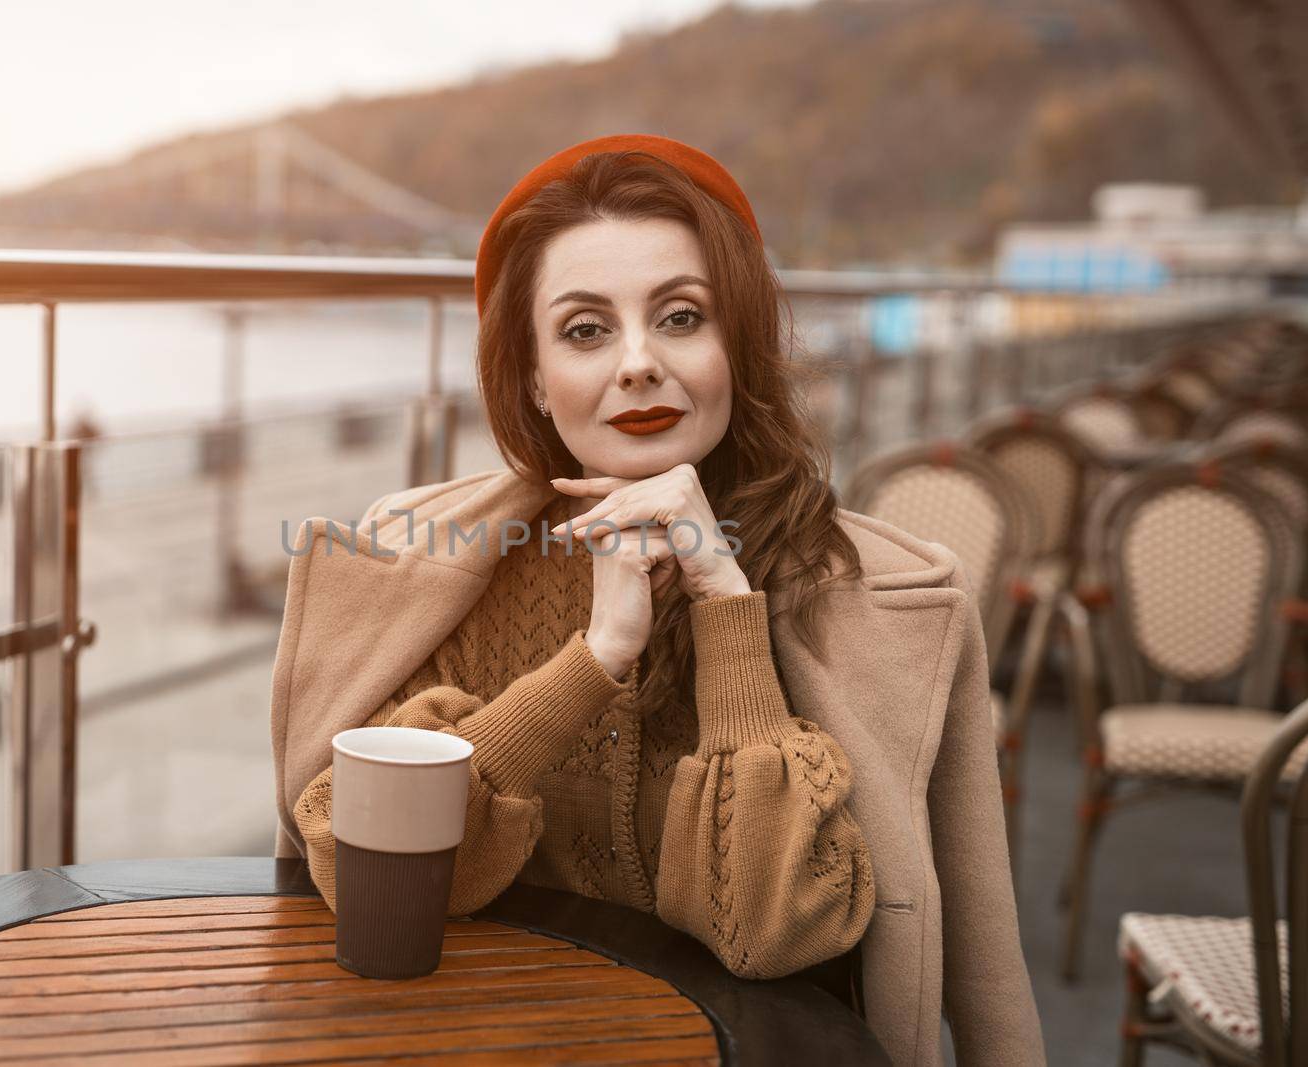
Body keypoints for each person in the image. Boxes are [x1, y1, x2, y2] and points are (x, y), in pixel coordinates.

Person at [270, 134, 1043, 1066]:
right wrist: (593, 660)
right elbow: (368, 876)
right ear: (532, 379)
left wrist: (724, 599)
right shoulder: (437, 563)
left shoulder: (892, 598)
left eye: (681, 317)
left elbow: (769, 929)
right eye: (585, 330)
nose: (637, 363)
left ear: (740, 346)